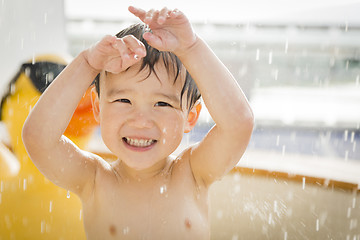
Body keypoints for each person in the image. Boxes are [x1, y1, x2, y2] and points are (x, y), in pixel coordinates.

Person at [22, 6, 254, 240]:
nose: (141, 121)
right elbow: (38, 139)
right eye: (124, 100)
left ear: (190, 117)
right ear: (98, 108)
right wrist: (87, 64)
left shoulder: (193, 173)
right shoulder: (94, 180)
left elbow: (238, 124)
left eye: (162, 104)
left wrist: (191, 48)